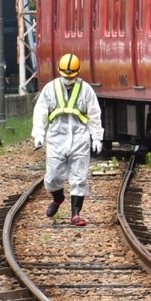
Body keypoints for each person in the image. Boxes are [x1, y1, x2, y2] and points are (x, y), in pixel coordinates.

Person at [32, 53, 104, 226]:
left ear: (78, 72)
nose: (68, 79)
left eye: (72, 76)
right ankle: (58, 199)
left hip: (80, 137)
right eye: (66, 75)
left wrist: (97, 138)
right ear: (59, 71)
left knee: (79, 177)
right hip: (57, 137)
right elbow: (40, 112)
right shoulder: (50, 89)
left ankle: (76, 214)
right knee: (53, 177)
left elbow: (94, 114)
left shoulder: (86, 89)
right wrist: (39, 134)